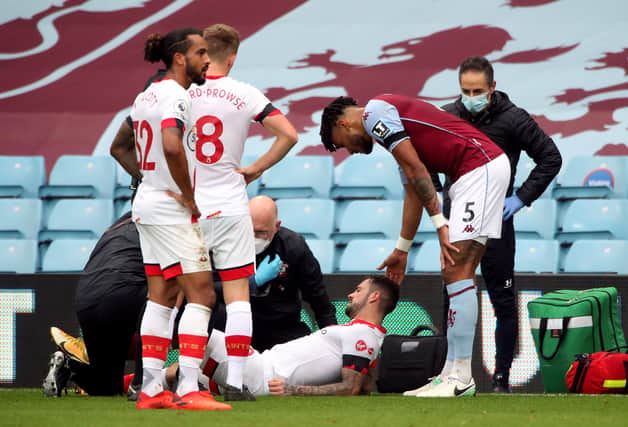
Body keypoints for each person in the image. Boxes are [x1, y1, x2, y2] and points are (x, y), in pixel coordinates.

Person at [319, 94, 510, 397]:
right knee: (453, 270)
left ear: (342, 123)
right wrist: (402, 249)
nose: (351, 151)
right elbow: (413, 189)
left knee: (458, 267)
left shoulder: (374, 114)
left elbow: (418, 174)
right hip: (469, 173)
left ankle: (461, 375)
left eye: (342, 143)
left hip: (480, 167)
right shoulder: (394, 133)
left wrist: (440, 223)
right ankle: (450, 372)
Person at [113, 27, 231, 411]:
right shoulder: (177, 96)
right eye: (200, 53)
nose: (206, 60)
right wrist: (188, 194)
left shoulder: (144, 96)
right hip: (171, 209)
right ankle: (189, 388)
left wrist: (150, 179)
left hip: (147, 204)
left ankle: (149, 390)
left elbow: (119, 146)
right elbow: (170, 144)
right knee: (202, 294)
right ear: (180, 58)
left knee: (162, 297)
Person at [183, 24, 298, 400]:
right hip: (232, 207)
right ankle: (235, 383)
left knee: (189, 298)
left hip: (190, 207)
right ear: (232, 57)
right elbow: (290, 135)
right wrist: (255, 169)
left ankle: (179, 381)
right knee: (237, 300)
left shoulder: (183, 92)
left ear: (202, 52)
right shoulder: (245, 93)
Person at [438, 56, 562, 392]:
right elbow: (417, 155)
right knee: (452, 297)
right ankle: (449, 374)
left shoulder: (514, 119)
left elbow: (551, 158)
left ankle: (501, 381)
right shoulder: (446, 116)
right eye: (466, 90)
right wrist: (436, 193)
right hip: (457, 221)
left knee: (502, 299)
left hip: (496, 220)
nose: (471, 96)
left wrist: (520, 199)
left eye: (478, 90)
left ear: (492, 88)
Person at [199, 276, 398, 396]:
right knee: (184, 369)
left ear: (374, 296)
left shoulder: (363, 333)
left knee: (198, 315)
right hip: (258, 364)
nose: (351, 294)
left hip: (263, 375)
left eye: (358, 290)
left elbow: (351, 388)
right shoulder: (362, 333)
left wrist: (294, 390)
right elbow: (364, 387)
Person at [43, 212, 145, 397]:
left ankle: (70, 363)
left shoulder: (120, 222)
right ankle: (142, 383)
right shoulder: (166, 219)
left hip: (87, 298)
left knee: (106, 388)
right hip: (128, 293)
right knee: (176, 301)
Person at [247, 195, 337, 351]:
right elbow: (212, 289)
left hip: (282, 326)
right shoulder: (229, 242)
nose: (254, 238)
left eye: (261, 232)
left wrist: (335, 343)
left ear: (276, 226)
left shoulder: (293, 246)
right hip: (239, 324)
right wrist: (254, 282)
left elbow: (320, 301)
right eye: (249, 230)